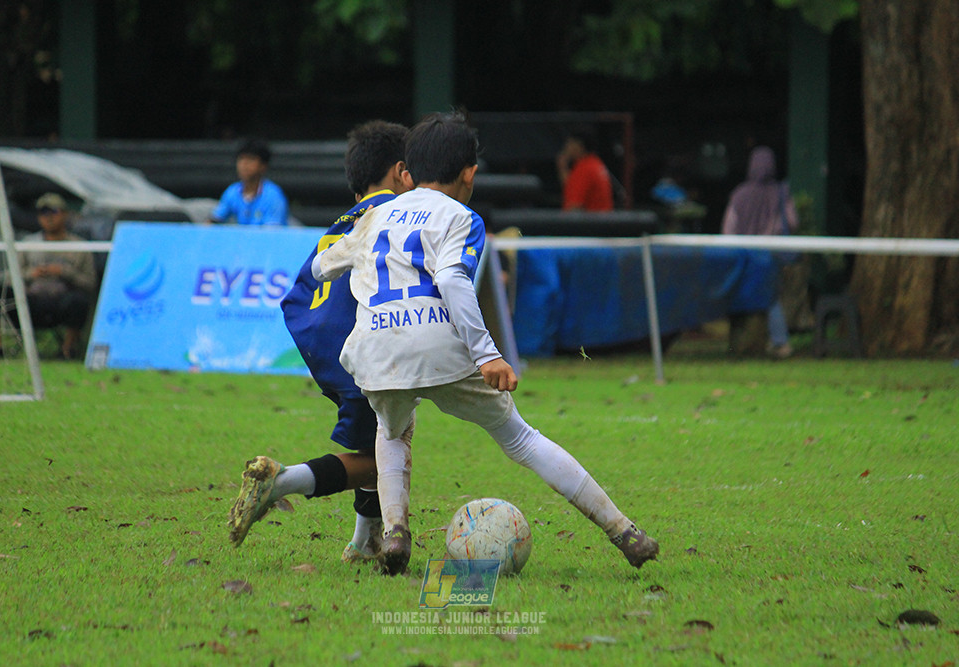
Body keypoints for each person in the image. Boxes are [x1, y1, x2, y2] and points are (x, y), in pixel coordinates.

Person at [311, 110, 658, 575]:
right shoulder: (463, 217)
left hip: (377, 351)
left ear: (408, 173)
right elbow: (454, 279)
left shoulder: (375, 215)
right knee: (520, 438)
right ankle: (623, 530)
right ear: (470, 174)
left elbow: (321, 267)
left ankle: (395, 533)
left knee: (391, 432)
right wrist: (488, 353)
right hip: (438, 344)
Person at [227, 121, 413, 562]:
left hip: (318, 337)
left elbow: (304, 285)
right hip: (359, 344)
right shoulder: (394, 216)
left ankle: (363, 543)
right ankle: (281, 480)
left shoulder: (345, 219)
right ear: (399, 172)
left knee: (374, 442)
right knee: (386, 456)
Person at [0, 193, 97, 360]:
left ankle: (68, 350)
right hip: (30, 301)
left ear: (65, 214)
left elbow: (91, 283)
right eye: (43, 213)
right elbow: (10, 277)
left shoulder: (79, 246)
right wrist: (31, 274)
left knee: (79, 301)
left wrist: (64, 272)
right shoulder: (28, 243)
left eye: (54, 212)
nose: (48, 218)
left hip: (62, 302)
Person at [722, 146, 799, 359]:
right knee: (771, 298)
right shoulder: (781, 193)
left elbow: (728, 228)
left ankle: (737, 345)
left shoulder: (739, 194)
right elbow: (792, 222)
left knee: (739, 296)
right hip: (769, 256)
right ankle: (780, 342)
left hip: (742, 257)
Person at [209, 138, 289, 226]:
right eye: (241, 159)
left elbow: (272, 234)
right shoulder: (232, 191)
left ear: (263, 166)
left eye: (251, 159)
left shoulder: (273, 196)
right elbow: (214, 221)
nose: (244, 164)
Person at [556, 126, 615, 212]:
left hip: (591, 223)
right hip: (602, 222)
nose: (566, 147)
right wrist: (562, 168)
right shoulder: (595, 163)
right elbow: (572, 186)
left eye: (570, 143)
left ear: (579, 146)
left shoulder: (584, 169)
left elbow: (575, 206)